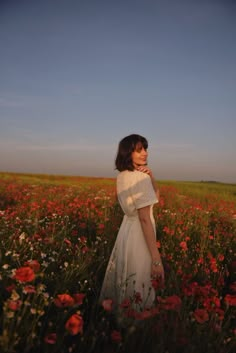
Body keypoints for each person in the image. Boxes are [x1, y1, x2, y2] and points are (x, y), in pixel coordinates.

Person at [99, 134, 164, 311]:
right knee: (140, 279)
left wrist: (151, 177)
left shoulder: (122, 176)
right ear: (128, 153)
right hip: (140, 235)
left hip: (126, 232)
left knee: (127, 275)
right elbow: (144, 217)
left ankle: (121, 320)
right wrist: (156, 259)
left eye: (145, 148)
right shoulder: (139, 178)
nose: (145, 153)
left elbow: (153, 200)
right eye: (139, 150)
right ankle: (136, 324)